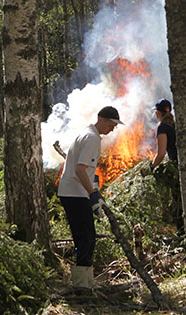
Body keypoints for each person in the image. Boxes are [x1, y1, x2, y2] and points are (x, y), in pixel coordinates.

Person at [57, 106, 122, 289]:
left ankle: (85, 282)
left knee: (84, 237)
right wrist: (92, 195)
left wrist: (95, 189)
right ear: (100, 119)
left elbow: (88, 170)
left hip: (72, 192)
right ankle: (82, 285)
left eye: (115, 125)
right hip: (75, 193)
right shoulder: (92, 138)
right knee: (87, 237)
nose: (112, 128)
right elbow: (80, 170)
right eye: (111, 123)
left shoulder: (87, 133)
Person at [151, 98, 183, 232]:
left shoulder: (162, 127)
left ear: (158, 113)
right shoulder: (175, 125)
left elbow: (161, 153)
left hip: (175, 167)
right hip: (182, 165)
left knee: (176, 201)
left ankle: (181, 232)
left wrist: (151, 167)